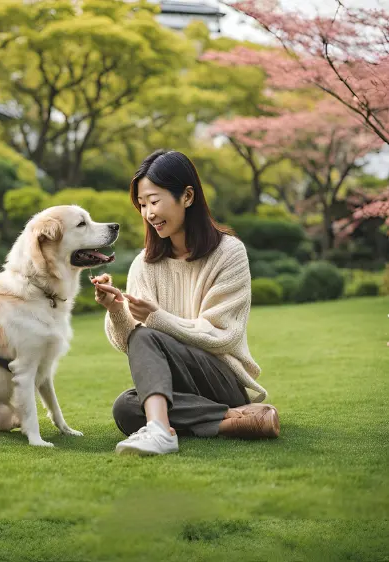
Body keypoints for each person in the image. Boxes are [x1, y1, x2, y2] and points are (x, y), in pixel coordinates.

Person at [91, 149, 279, 456]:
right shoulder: (145, 264)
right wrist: (116, 311)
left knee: (146, 336)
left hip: (219, 377)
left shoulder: (229, 254)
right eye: (141, 204)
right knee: (125, 407)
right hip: (177, 387)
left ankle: (162, 430)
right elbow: (132, 345)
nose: (148, 213)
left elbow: (222, 336)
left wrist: (157, 318)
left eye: (154, 200)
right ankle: (232, 420)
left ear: (187, 196)